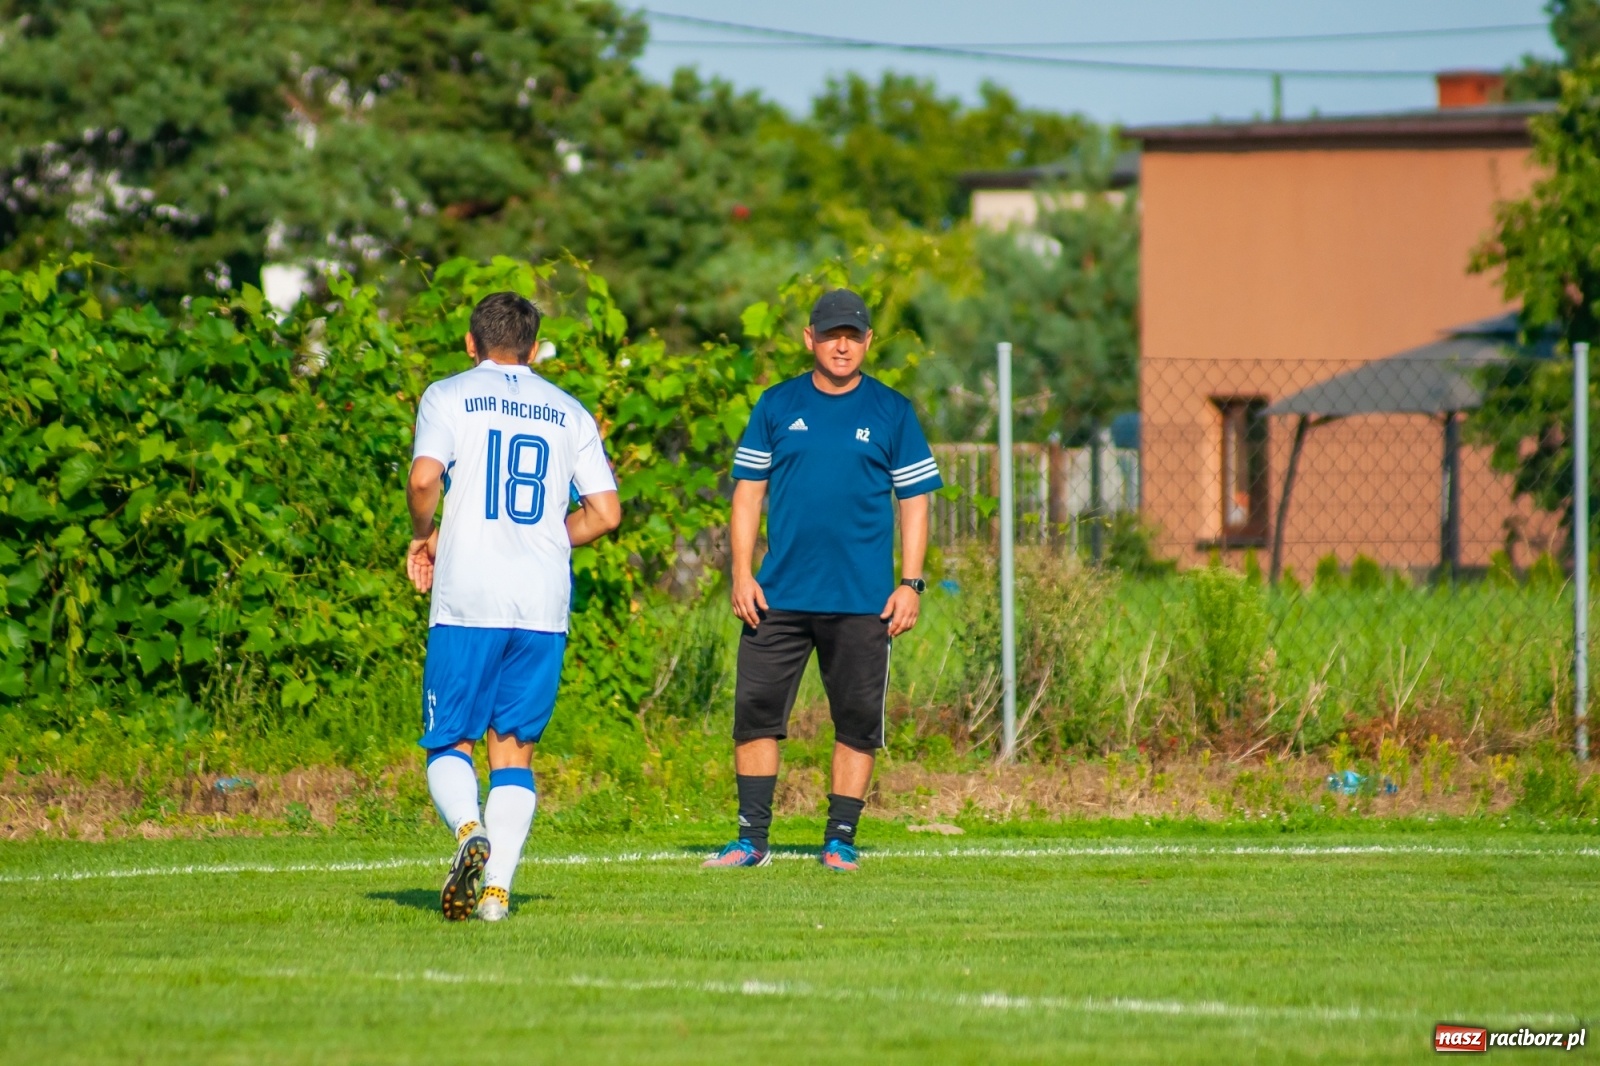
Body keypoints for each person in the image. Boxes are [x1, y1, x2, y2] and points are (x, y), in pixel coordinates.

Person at [705, 289, 942, 873]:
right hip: (777, 595)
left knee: (857, 722)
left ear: (868, 343)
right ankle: (750, 841)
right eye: (832, 333)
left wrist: (910, 584)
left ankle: (839, 839)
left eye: (854, 335)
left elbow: (914, 501)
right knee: (755, 715)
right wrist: (741, 573)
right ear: (809, 338)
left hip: (863, 602)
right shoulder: (776, 404)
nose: (843, 344)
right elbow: (748, 494)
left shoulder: (892, 411)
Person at [405, 291, 620, 921]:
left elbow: (423, 479)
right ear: (532, 348)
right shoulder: (568, 410)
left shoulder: (448, 395)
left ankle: (470, 830)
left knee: (451, 741)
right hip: (541, 600)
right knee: (515, 750)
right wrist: (553, 533)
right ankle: (497, 891)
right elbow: (606, 514)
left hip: (469, 596)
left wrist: (423, 534)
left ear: (472, 344)